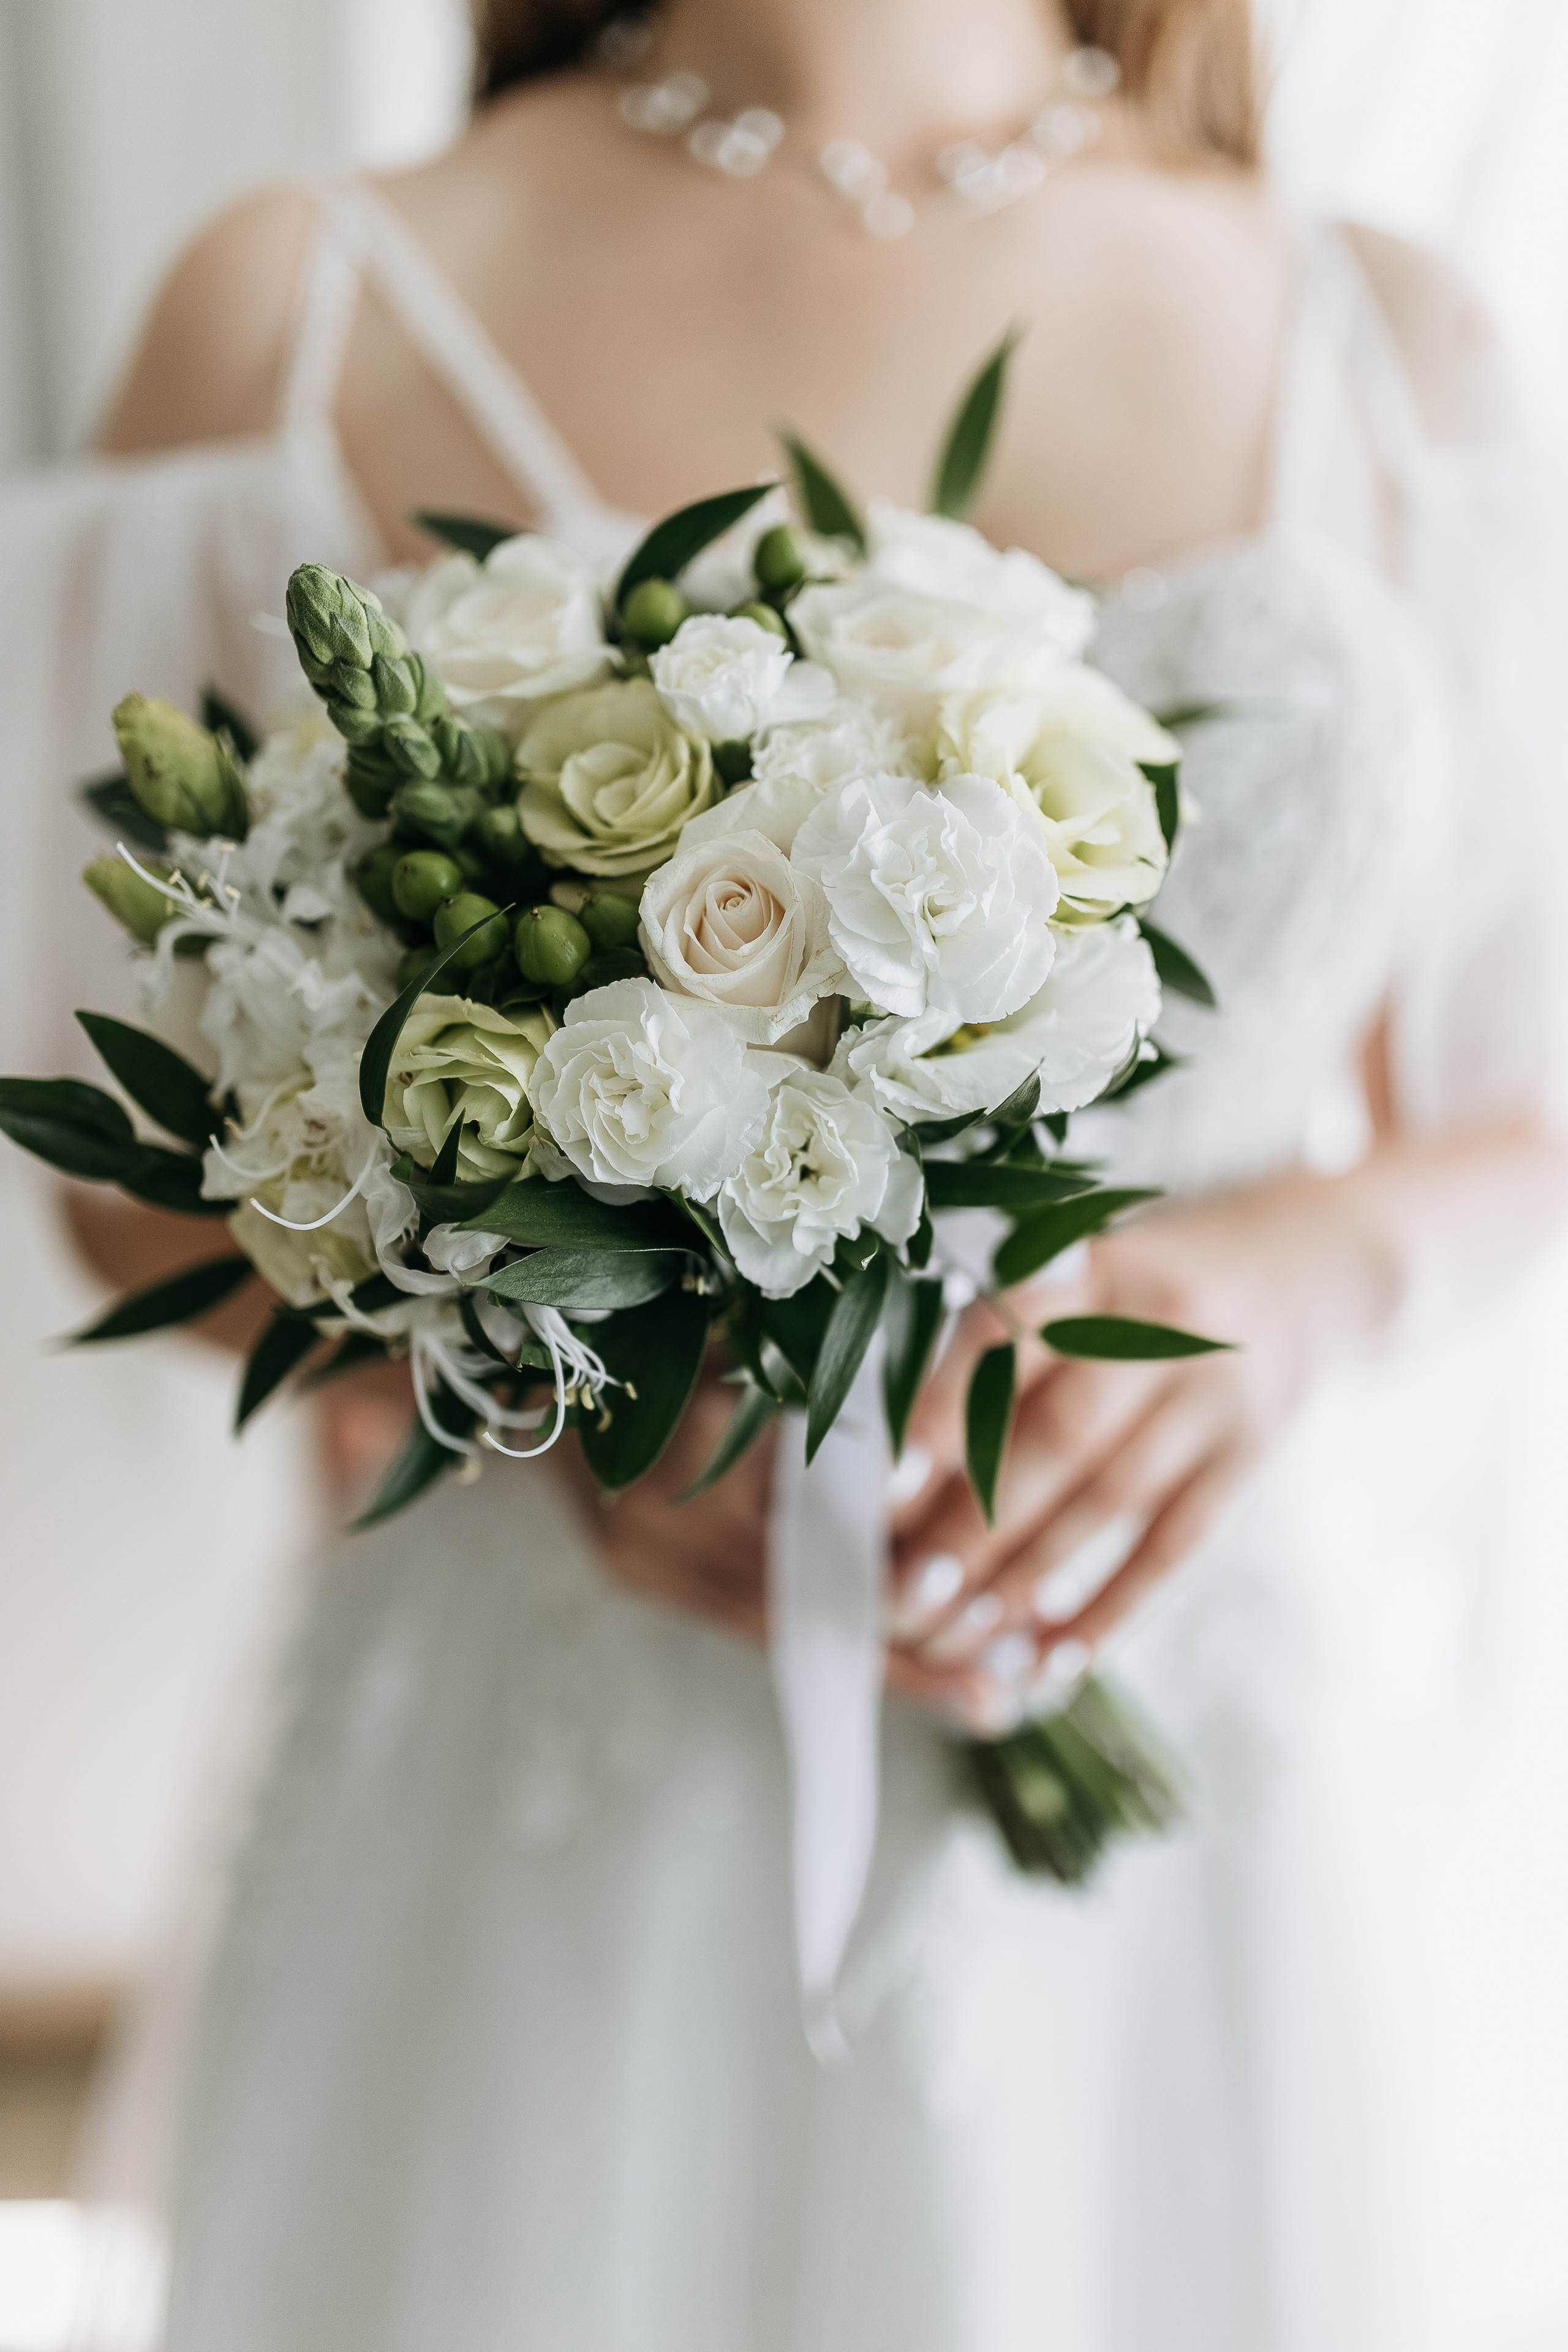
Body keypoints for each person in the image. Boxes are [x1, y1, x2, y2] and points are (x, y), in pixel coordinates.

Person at [32, 0, 1568, 2344]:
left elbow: (1519, 1109)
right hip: (560, 1753)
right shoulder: (302, 305)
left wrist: (1275, 1293)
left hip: (1206, 1750)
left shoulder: (1390, 326)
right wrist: (545, 1405)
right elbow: (137, 1151)